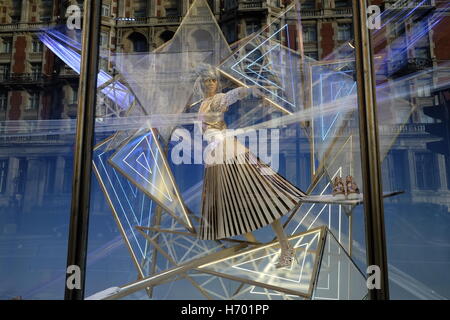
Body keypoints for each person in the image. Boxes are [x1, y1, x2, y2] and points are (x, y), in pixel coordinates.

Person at [191, 64, 306, 268]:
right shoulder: (202, 104)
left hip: (229, 152)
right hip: (216, 155)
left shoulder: (217, 99)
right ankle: (253, 246)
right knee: (230, 202)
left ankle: (284, 246)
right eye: (206, 81)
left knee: (259, 195)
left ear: (217, 83)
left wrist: (247, 89)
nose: (209, 84)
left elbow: (231, 96)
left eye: (212, 80)